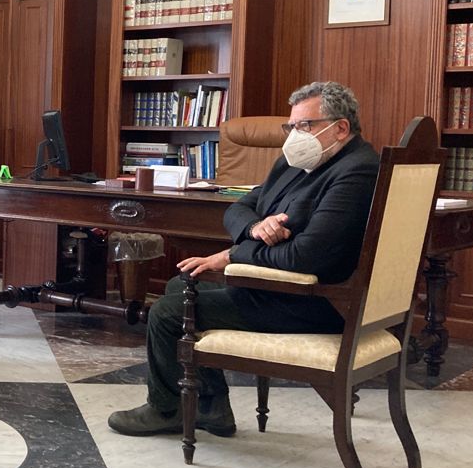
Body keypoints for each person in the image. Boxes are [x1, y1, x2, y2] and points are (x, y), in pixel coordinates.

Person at [108, 81, 379, 437]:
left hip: (316, 301)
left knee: (167, 312)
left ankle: (167, 409)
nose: (294, 135)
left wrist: (233, 254)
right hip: (277, 286)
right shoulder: (297, 161)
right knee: (181, 284)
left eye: (304, 126)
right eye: (291, 126)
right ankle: (212, 407)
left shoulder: (358, 171)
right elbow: (239, 208)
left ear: (340, 128)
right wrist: (255, 227)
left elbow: (304, 257)